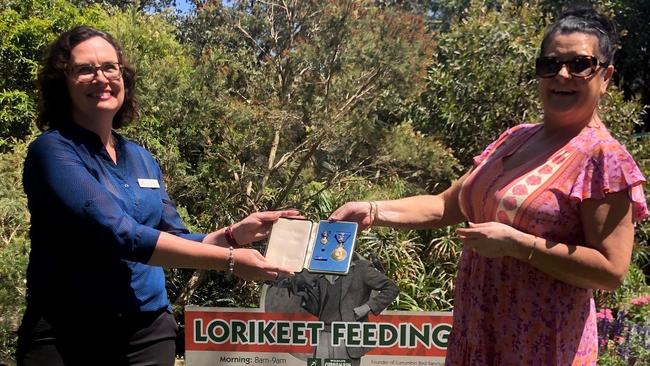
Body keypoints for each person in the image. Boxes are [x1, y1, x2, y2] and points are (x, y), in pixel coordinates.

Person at [330, 7, 648, 365]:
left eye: (580, 65)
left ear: (604, 77)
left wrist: (520, 245)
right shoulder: (515, 139)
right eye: (550, 64)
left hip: (541, 346)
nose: (562, 74)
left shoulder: (605, 160)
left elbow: (610, 271)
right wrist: (373, 210)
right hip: (477, 333)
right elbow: (447, 205)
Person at [16, 26, 298, 366]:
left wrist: (232, 235)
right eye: (84, 69)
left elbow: (172, 237)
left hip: (147, 333)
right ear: (63, 82)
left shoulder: (140, 157)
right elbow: (120, 233)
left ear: (123, 77)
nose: (101, 78)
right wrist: (232, 262)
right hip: (67, 336)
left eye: (110, 67)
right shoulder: (53, 152)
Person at [265, 253, 399, 366]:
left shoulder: (361, 269)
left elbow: (391, 288)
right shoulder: (319, 269)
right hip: (324, 335)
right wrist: (268, 276)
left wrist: (367, 307)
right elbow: (295, 280)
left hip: (348, 335)